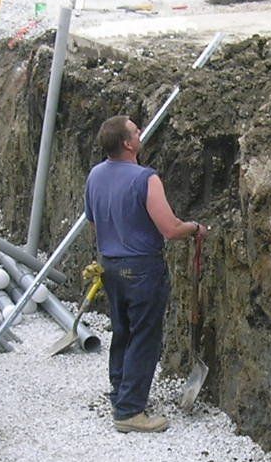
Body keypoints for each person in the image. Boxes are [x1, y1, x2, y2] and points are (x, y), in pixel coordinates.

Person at [83, 114, 206, 433]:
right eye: (136, 131)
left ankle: (120, 393)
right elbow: (170, 229)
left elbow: (94, 223)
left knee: (122, 331)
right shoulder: (145, 179)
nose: (141, 133)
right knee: (144, 337)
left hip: (110, 265)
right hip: (141, 269)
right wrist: (195, 228)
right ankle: (130, 411)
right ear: (127, 143)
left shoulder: (95, 175)